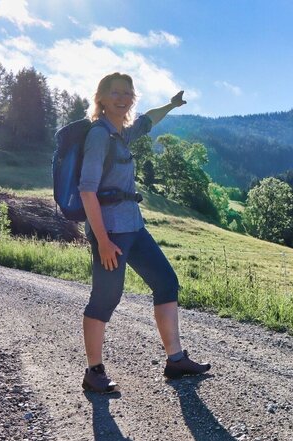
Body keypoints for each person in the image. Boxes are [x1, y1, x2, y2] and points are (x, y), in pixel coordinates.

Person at [80, 72, 210, 394]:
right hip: (110, 232)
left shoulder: (122, 133)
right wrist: (104, 241)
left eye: (127, 93)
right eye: (115, 93)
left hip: (134, 228)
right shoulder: (99, 136)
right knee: (105, 298)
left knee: (166, 282)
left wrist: (171, 105)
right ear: (102, 98)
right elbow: (86, 191)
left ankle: (175, 360)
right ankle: (94, 372)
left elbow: (150, 119)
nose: (122, 98)